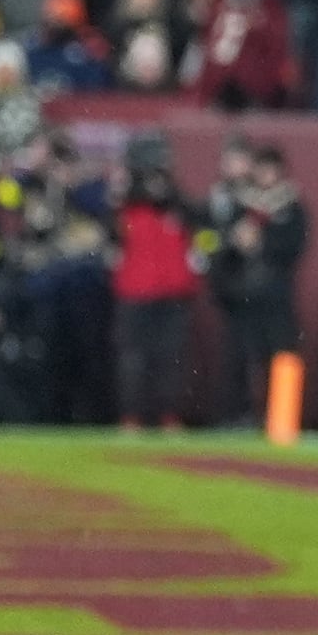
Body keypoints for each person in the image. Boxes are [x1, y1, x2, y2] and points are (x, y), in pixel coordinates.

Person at [208, 142, 309, 425]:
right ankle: (235, 417)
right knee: (237, 359)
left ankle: (281, 418)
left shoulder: (292, 206)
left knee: (281, 357)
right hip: (243, 294)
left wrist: (262, 242)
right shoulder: (241, 205)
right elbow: (220, 245)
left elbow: (295, 246)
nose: (266, 176)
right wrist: (235, 242)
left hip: (276, 294)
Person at [109, 153, 203, 433]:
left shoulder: (180, 210)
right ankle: (131, 417)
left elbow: (200, 217)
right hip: (135, 295)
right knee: (133, 360)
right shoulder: (125, 209)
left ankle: (169, 417)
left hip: (173, 295)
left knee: (171, 360)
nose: (155, 186)